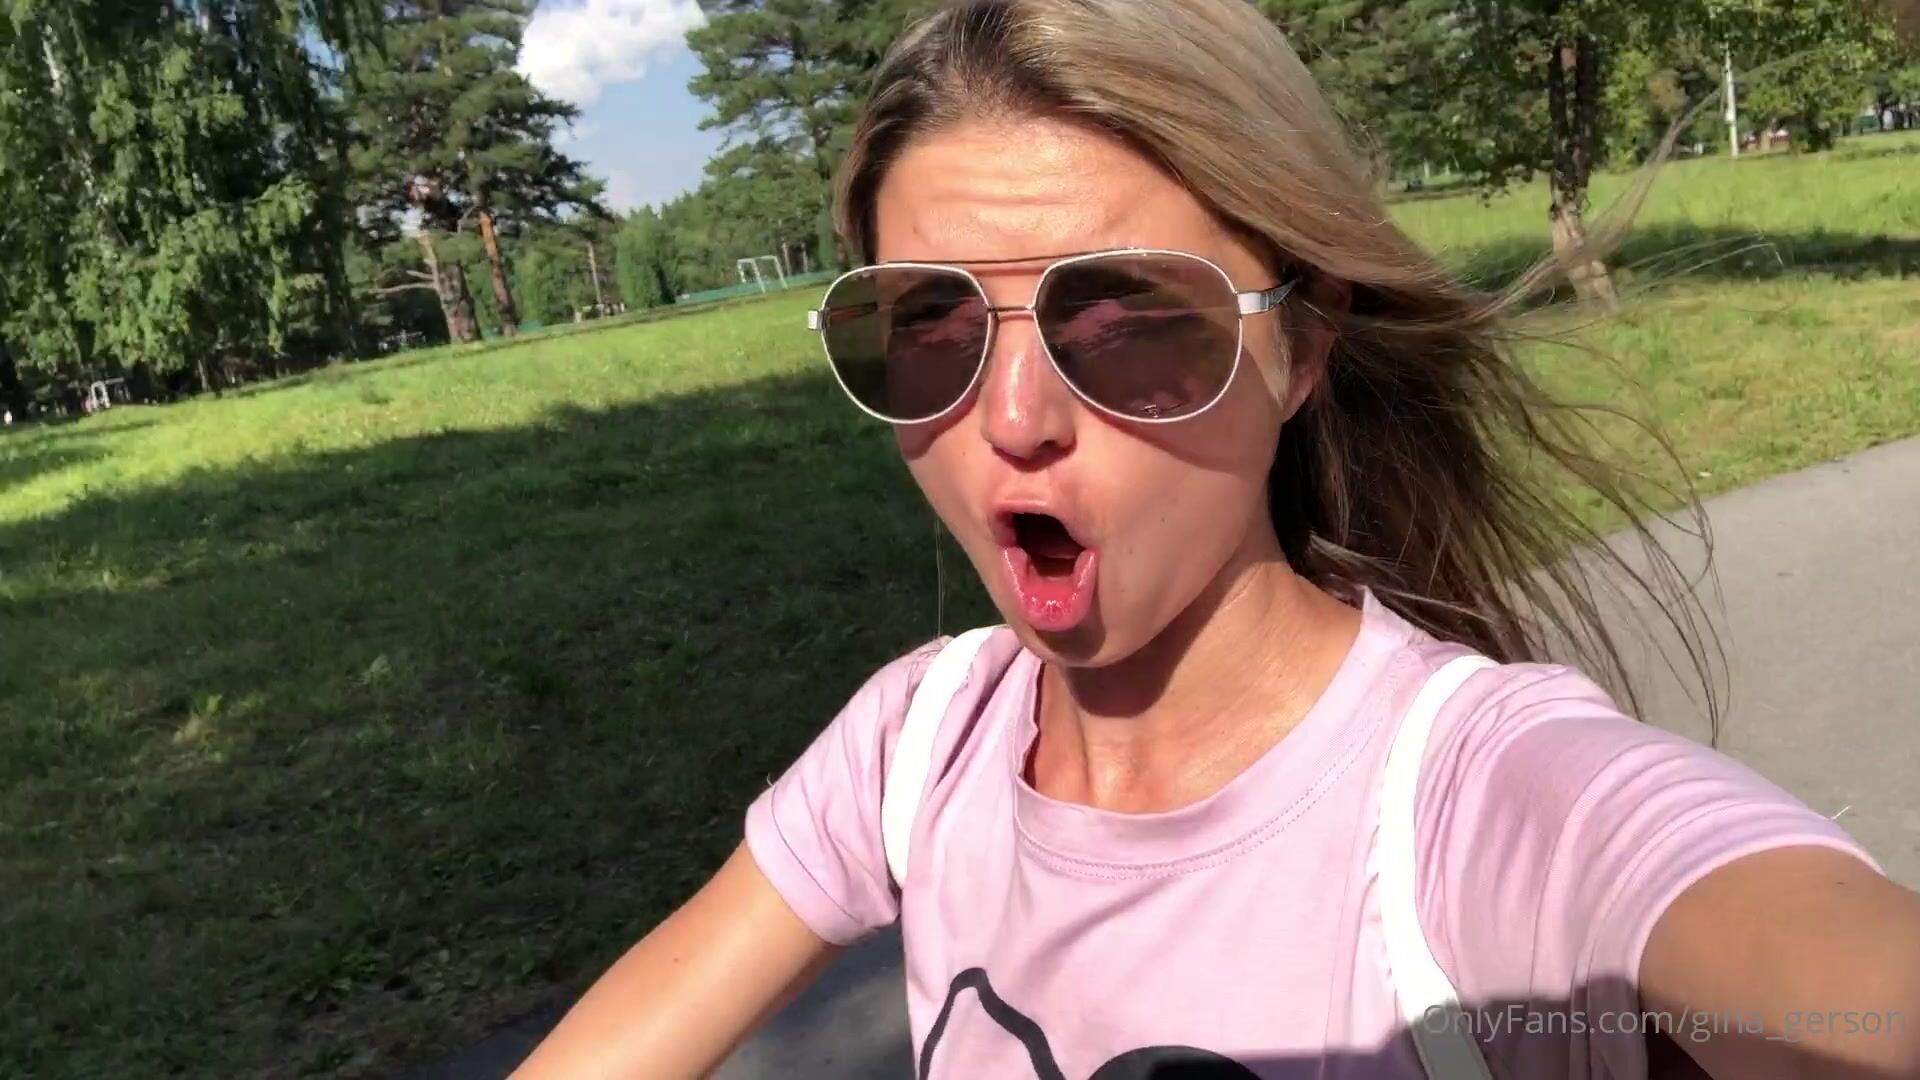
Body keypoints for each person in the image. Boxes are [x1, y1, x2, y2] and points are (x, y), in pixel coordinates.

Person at [517, 2, 1920, 1077]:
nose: (1011, 420)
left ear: (1301, 343)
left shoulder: (1474, 809)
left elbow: (1838, 984)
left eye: (1126, 322)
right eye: (928, 326)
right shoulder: (916, 747)